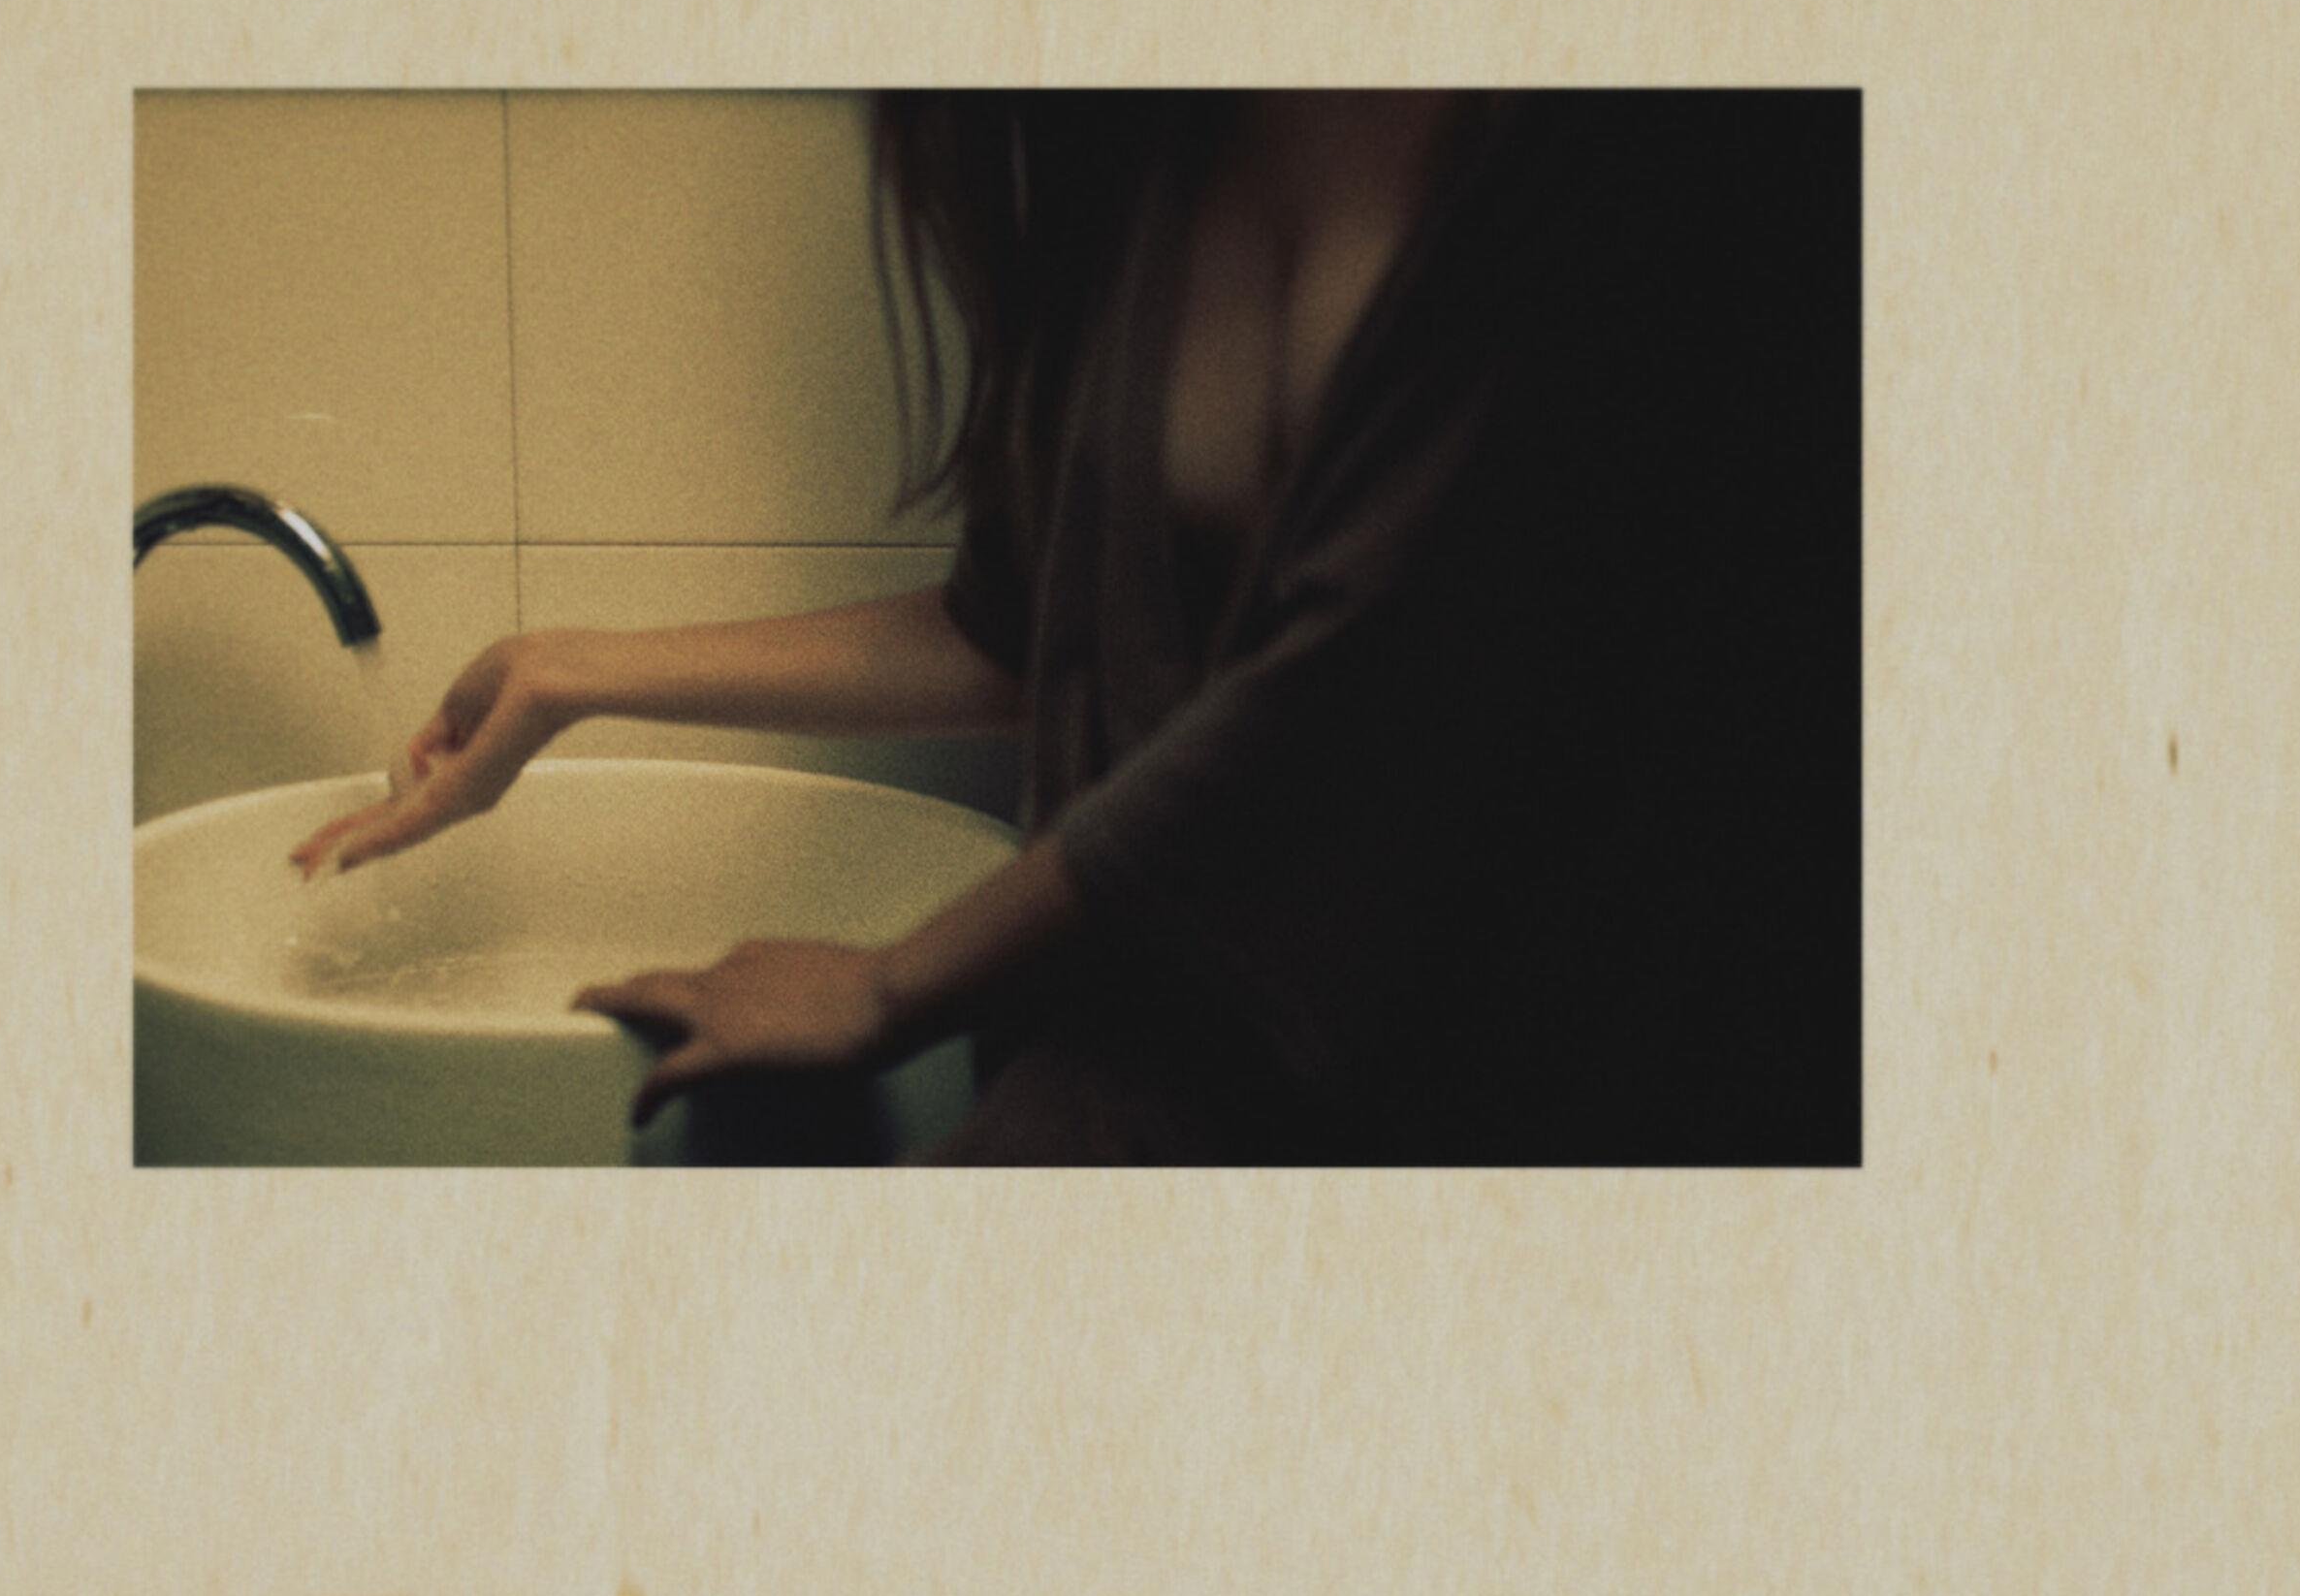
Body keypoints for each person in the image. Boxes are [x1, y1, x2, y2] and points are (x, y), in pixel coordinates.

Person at [289, 87, 1558, 1164]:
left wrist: (895, 983)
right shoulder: (1131, 178)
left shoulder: (1428, 127)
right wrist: (568, 672)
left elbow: (1348, 700)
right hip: (1128, 1073)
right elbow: (1022, 637)